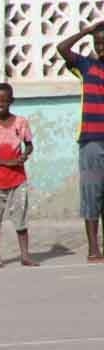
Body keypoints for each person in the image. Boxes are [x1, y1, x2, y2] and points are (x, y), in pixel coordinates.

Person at [55, 19, 104, 261]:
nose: (101, 48)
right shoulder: (86, 66)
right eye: (97, 43)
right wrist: (86, 31)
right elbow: (62, 48)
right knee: (91, 194)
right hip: (91, 141)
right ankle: (93, 249)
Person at [0, 83, 37, 268]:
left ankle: (25, 255)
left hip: (17, 179)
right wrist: (6, 163)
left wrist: (25, 155)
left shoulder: (21, 123)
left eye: (4, 101)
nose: (0, 104)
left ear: (11, 101)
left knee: (21, 218)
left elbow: (29, 145)